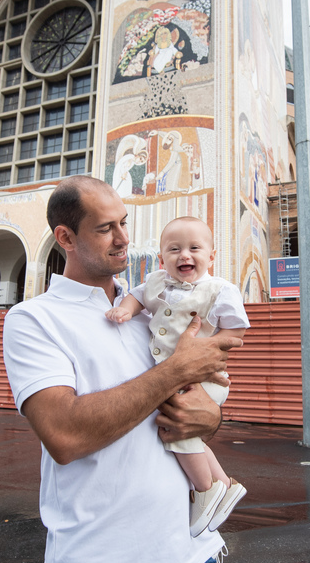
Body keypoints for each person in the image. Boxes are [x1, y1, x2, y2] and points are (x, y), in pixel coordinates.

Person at [3, 175, 242, 563]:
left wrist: (210, 418)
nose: (123, 238)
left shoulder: (152, 310)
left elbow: (195, 407)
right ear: (66, 237)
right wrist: (175, 371)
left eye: (125, 223)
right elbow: (65, 434)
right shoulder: (34, 320)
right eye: (105, 228)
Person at [106, 216, 248, 536]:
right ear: (161, 259)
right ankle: (224, 484)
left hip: (204, 379)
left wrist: (206, 350)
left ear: (211, 256)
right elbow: (138, 295)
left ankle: (204, 489)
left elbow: (236, 328)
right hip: (174, 378)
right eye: (174, 249)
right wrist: (126, 310)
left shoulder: (219, 290)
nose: (184, 255)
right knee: (190, 432)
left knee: (177, 431)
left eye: (194, 248)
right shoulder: (157, 281)